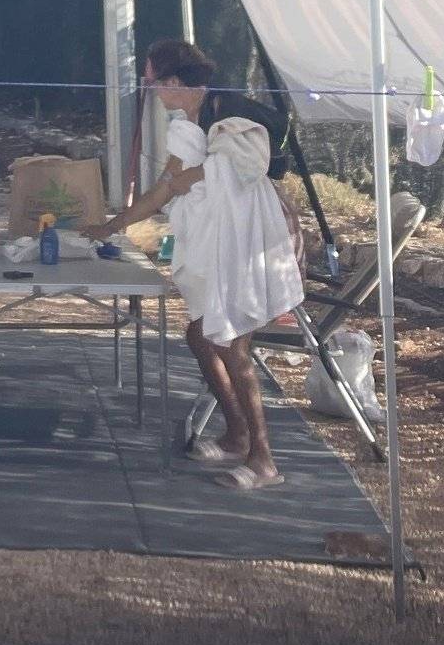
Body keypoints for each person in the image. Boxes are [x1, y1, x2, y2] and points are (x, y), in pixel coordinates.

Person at [88, 39, 304, 490]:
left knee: (230, 344)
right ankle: (237, 434)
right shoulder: (189, 124)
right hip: (218, 239)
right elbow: (163, 189)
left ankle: (264, 461)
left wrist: (190, 177)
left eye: (152, 82)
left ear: (172, 82)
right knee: (200, 334)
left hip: (248, 239)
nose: (152, 92)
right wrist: (113, 225)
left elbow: (246, 164)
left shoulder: (230, 112)